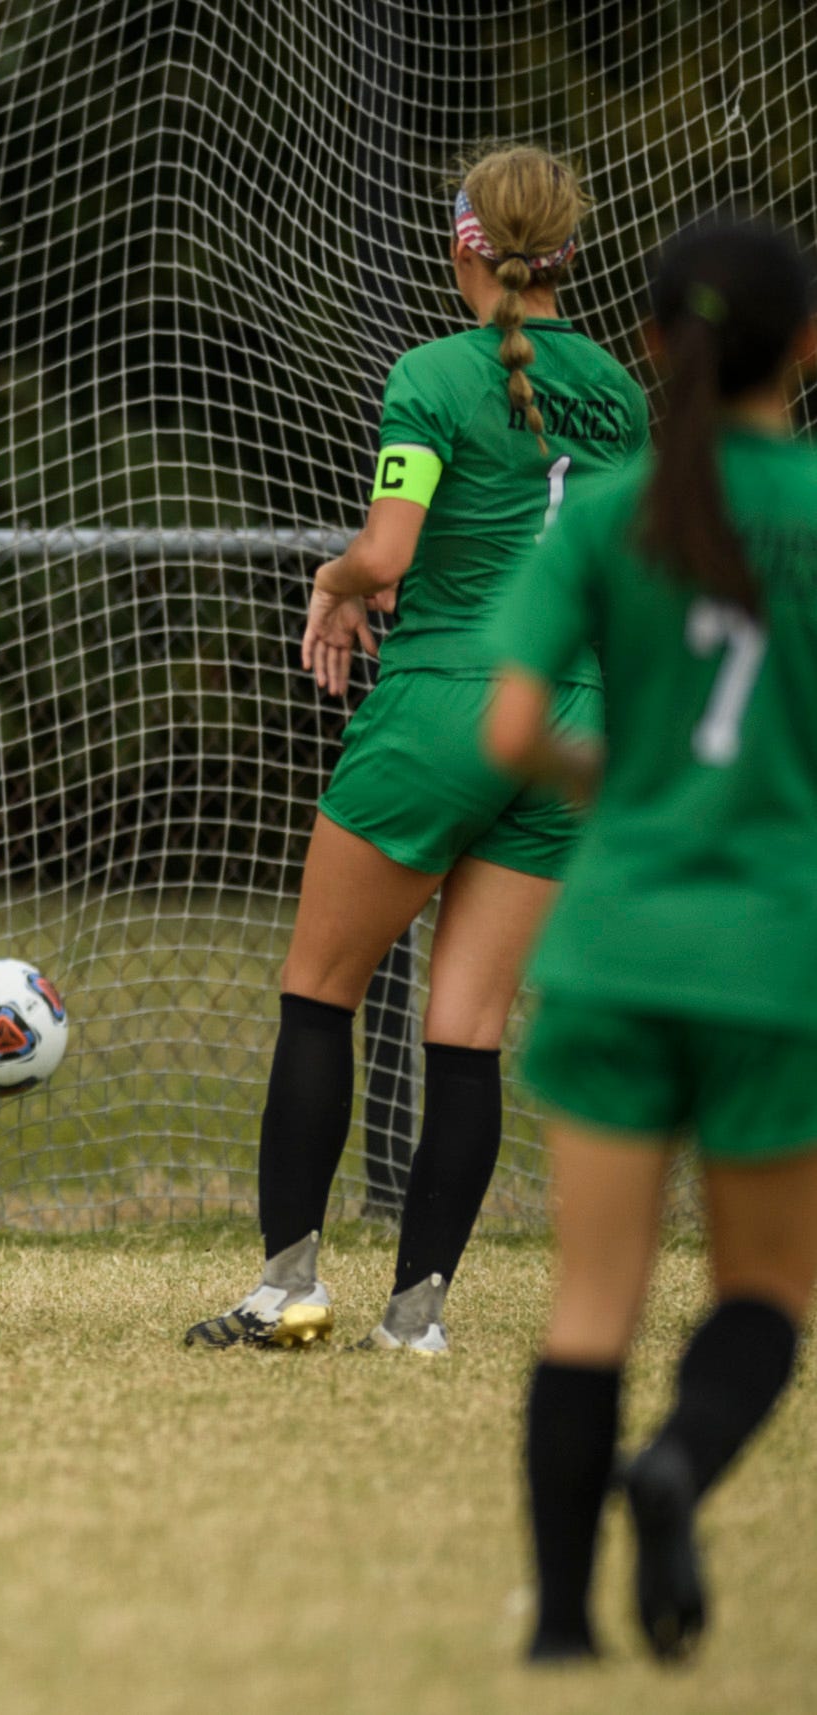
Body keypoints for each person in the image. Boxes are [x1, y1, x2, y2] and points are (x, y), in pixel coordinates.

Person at [183, 145, 648, 1353]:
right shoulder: (618, 392)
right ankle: (418, 1315)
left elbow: (385, 555)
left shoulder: (432, 374)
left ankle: (286, 1289)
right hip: (570, 717)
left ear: (462, 242)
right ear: (565, 253)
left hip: (443, 702)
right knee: (470, 1027)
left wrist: (332, 583)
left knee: (317, 990)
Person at [489, 219, 817, 1664]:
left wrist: (619, 778)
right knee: (757, 1291)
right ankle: (676, 1462)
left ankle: (561, 1629)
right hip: (773, 957)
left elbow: (506, 729)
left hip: (611, 943)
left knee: (588, 1301)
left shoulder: (605, 510)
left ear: (646, 348)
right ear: (804, 349)